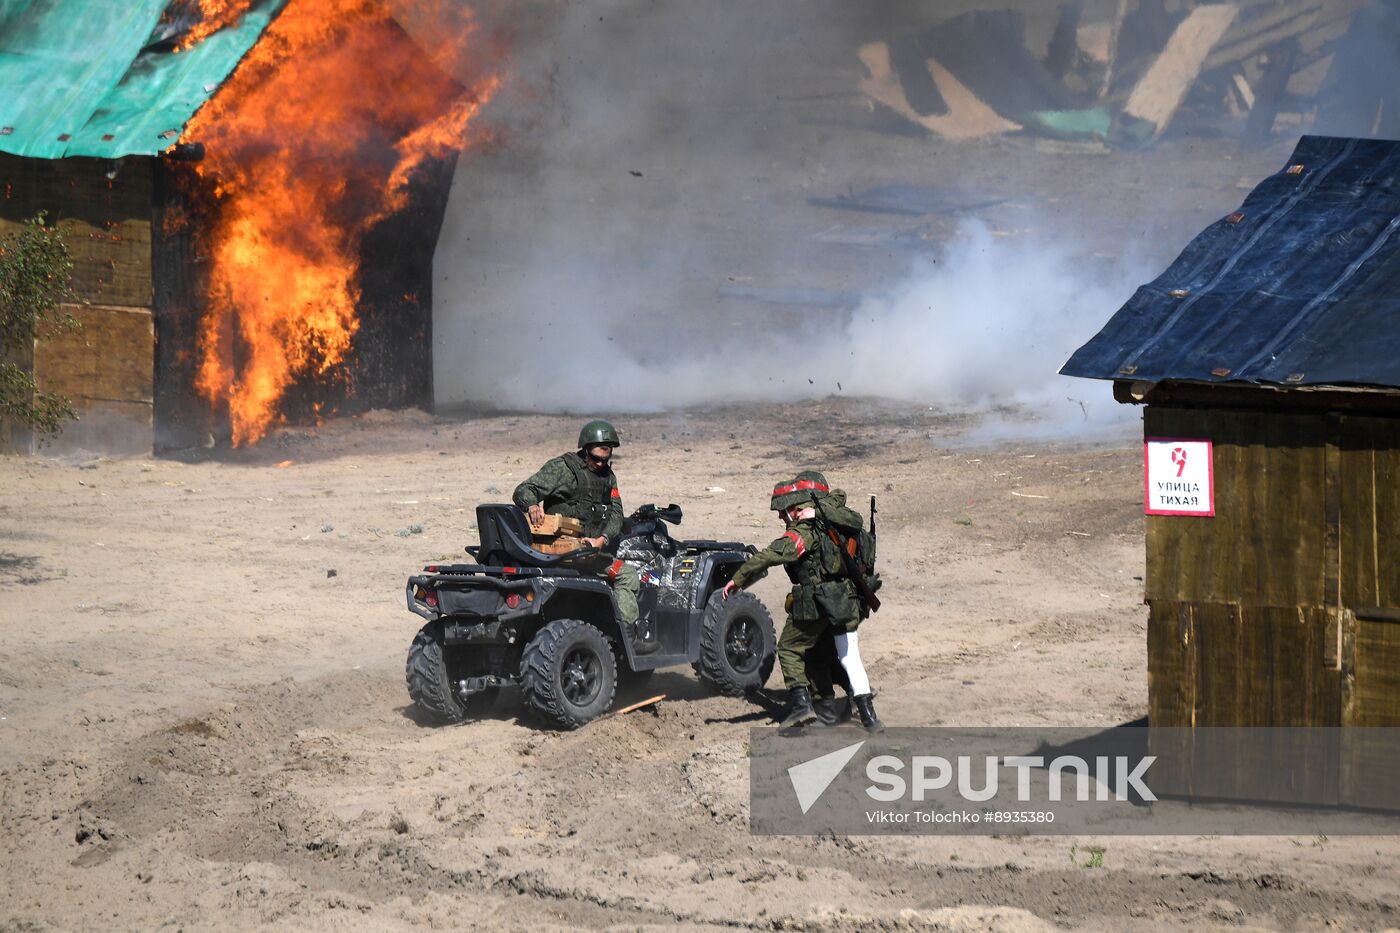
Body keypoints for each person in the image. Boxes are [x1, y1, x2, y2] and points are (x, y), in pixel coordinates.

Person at [722, 471, 882, 731]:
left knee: (789, 649)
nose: (780, 517)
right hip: (850, 601)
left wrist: (738, 579)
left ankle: (801, 707)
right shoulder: (843, 524)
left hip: (821, 601)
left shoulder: (806, 531)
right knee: (835, 654)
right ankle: (860, 714)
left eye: (783, 511)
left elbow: (770, 555)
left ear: (795, 509)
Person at [513, 419, 655, 654]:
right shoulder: (564, 469)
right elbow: (524, 490)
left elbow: (616, 514)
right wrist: (532, 506)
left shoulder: (608, 477)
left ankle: (626, 634)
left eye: (605, 459)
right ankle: (628, 639)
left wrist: (603, 539)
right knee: (628, 577)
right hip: (562, 553)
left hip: (590, 552)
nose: (600, 464)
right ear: (585, 449)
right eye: (595, 458)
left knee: (625, 574)